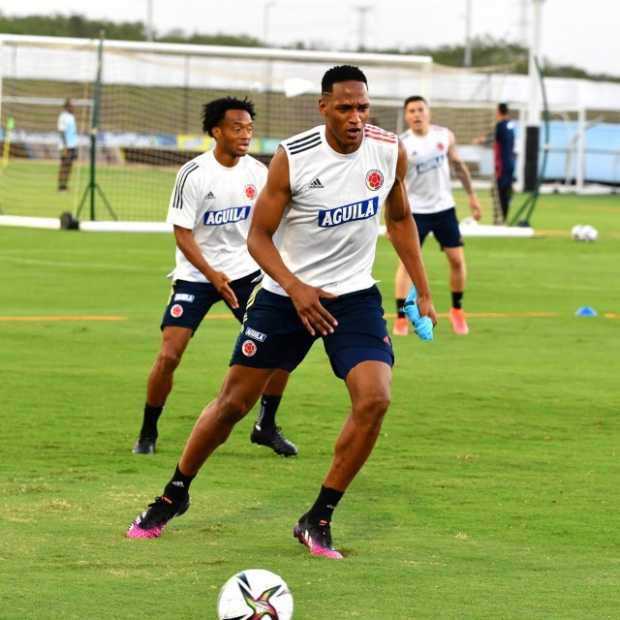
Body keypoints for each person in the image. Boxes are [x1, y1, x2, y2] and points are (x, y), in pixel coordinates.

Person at [126, 65, 437, 559]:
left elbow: (399, 218)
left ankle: (318, 517)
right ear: (323, 107)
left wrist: (422, 289)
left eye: (362, 107)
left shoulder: (388, 148)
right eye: (344, 108)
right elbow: (258, 237)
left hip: (354, 297)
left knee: (375, 399)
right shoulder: (293, 157)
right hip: (283, 296)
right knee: (232, 404)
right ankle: (174, 493)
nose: (356, 118)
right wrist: (295, 288)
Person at [132, 97, 297, 458]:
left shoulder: (258, 172)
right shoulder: (193, 173)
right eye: (237, 128)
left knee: (279, 348)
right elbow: (183, 234)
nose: (245, 135)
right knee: (170, 355)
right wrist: (212, 274)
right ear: (216, 131)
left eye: (250, 129)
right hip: (196, 275)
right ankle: (148, 430)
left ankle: (265, 426)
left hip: (245, 273)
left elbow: (273, 224)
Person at [393, 95, 481, 337]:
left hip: (444, 209)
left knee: (456, 260)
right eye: (411, 111)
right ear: (406, 116)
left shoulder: (444, 135)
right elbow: (393, 183)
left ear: (428, 112)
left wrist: (472, 196)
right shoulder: (400, 144)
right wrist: (391, 221)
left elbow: (459, 166)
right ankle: (400, 317)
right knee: (406, 265)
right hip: (414, 212)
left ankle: (457, 310)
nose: (417, 114)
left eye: (420, 109)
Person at [493, 102, 516, 224]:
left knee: (499, 193)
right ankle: (503, 218)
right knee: (504, 192)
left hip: (502, 164)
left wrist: (480, 140)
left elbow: (494, 141)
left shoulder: (500, 126)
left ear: (499, 112)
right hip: (511, 163)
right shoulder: (511, 125)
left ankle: (500, 219)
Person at [57, 98, 78, 191]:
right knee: (64, 166)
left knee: (69, 166)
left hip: (72, 145)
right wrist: (65, 146)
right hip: (65, 146)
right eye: (72, 105)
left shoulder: (71, 116)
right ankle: (60, 186)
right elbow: (61, 131)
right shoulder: (63, 117)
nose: (74, 107)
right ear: (67, 106)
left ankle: (65, 185)